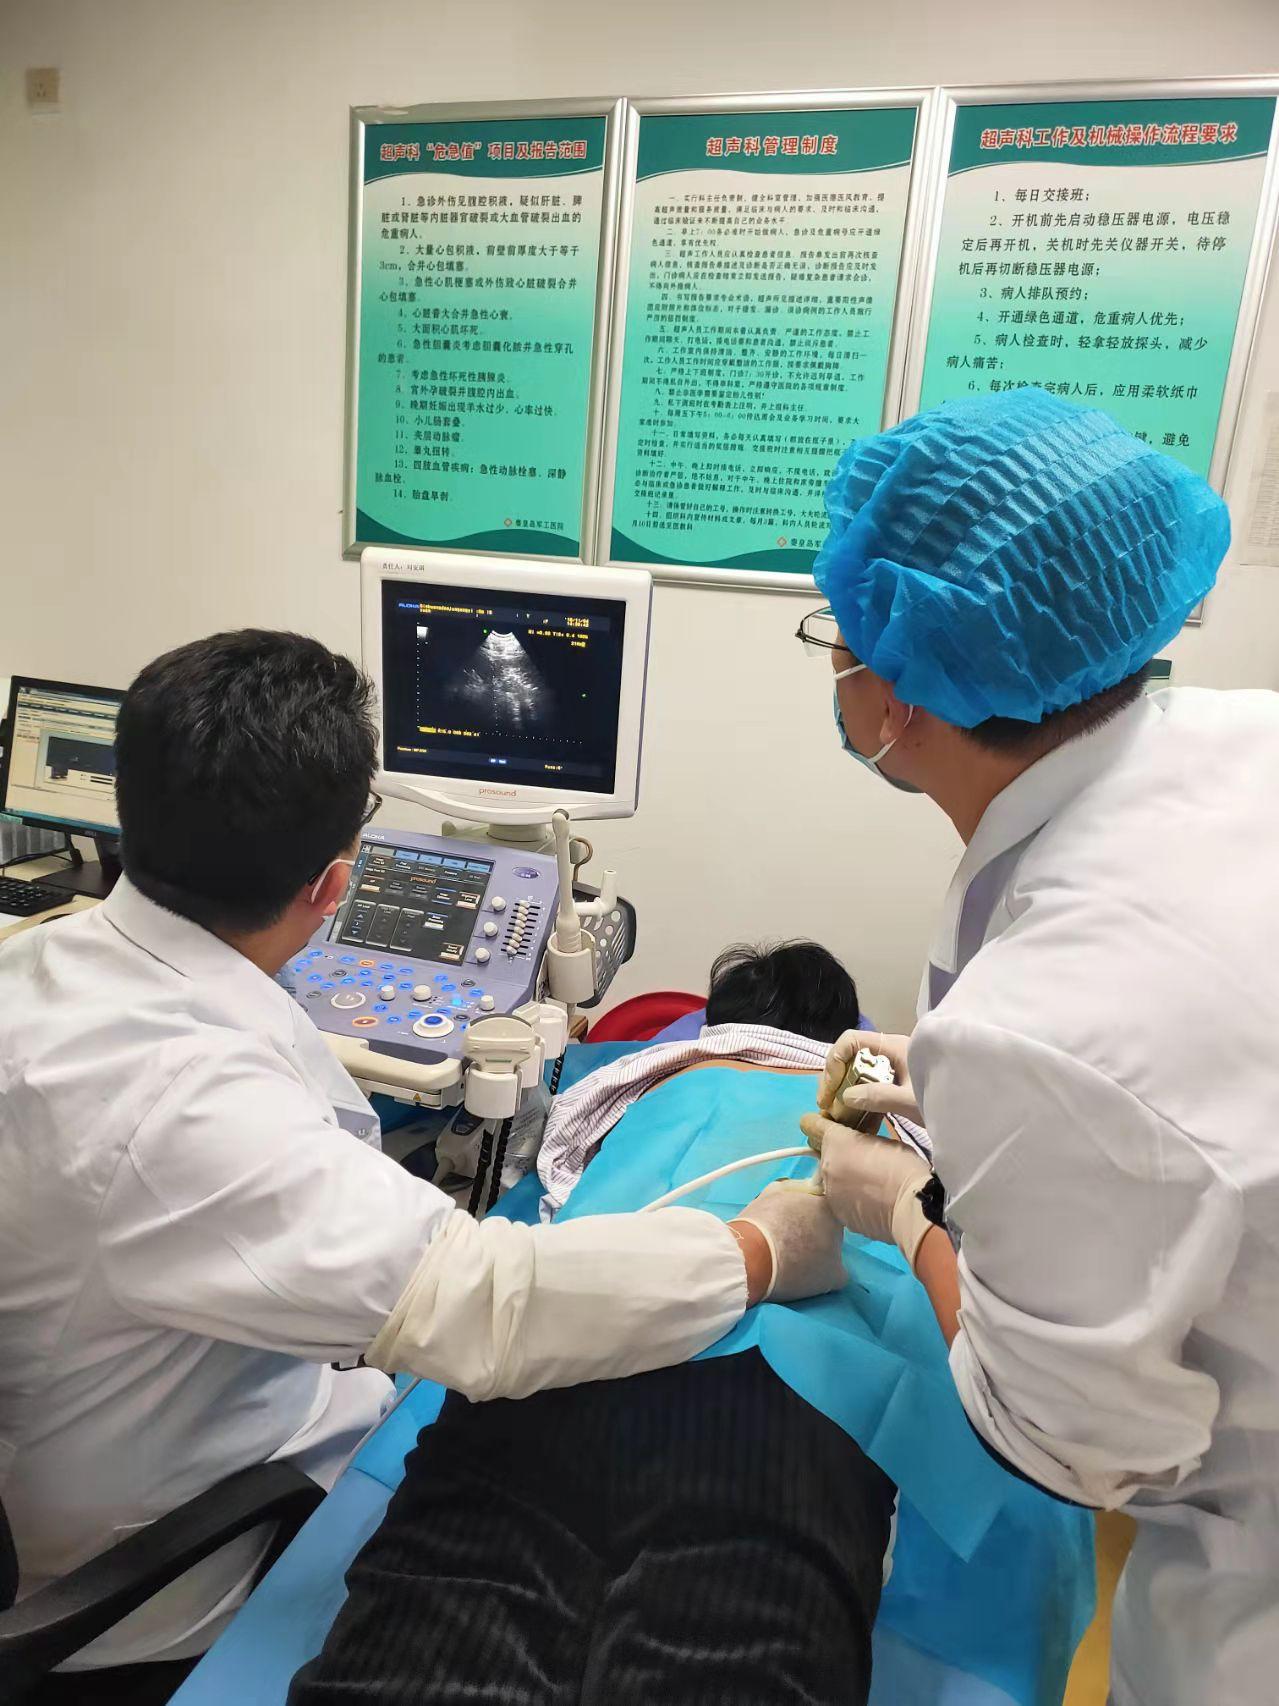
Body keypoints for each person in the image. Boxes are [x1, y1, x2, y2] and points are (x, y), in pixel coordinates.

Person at [0, 631, 842, 1703]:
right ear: (334, 884)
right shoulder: (185, 1107)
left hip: (94, 1423)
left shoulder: (41, 961)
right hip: (158, 1559)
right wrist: (761, 1247)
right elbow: (490, 1306)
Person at [795, 387, 1278, 1706]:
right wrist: (968, 1092)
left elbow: (1076, 1446)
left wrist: (904, 1208)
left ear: (893, 698)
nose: (834, 667)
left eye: (835, 637)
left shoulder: (1043, 1027)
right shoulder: (1241, 738)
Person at [289, 940, 893, 1706]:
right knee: (733, 1656)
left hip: (566, 1342)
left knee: (428, 1627)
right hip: (789, 1395)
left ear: (716, 1023)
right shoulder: (890, 1123)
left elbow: (557, 1177)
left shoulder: (650, 1074)